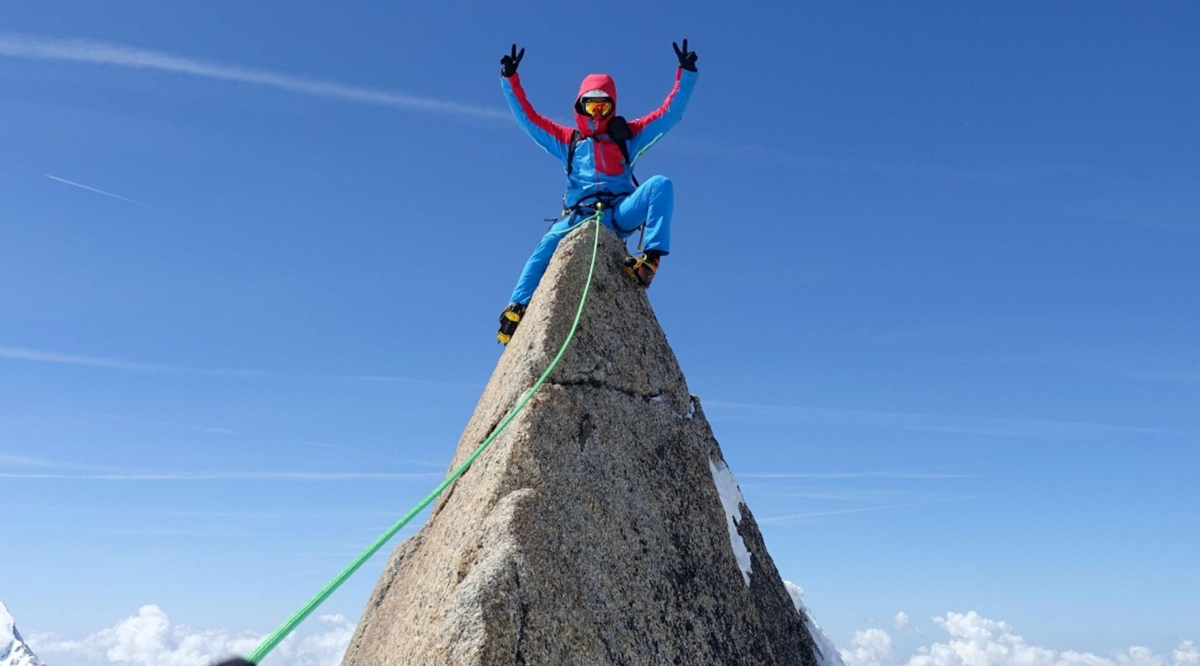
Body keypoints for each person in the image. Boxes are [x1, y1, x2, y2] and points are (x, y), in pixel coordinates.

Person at [495, 40, 699, 344]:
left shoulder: (625, 138)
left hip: (618, 213)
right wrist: (510, 79)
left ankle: (650, 260)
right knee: (545, 246)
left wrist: (686, 75)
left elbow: (667, 116)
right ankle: (516, 308)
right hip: (579, 215)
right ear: (579, 106)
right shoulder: (569, 141)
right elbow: (530, 121)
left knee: (660, 185)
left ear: (612, 107)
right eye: (590, 105)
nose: (596, 112)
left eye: (603, 106)